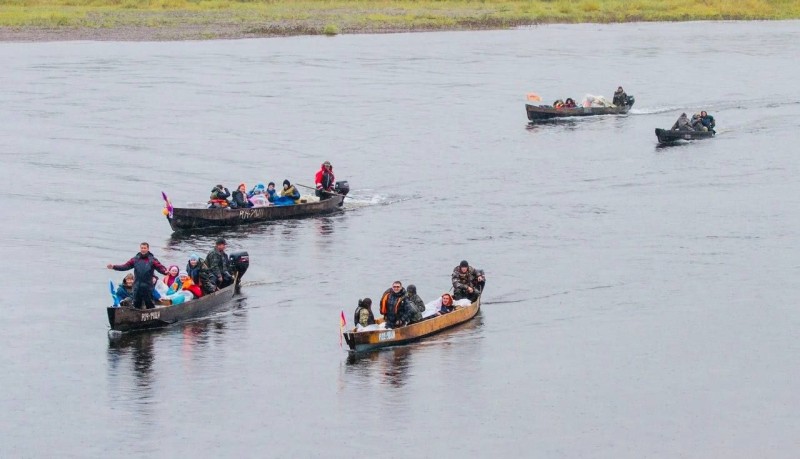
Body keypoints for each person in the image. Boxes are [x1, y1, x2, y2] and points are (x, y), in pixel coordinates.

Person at [107, 242, 169, 310]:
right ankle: (135, 316)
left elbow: (160, 267)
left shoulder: (152, 260)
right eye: (142, 248)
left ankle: (151, 316)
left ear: (148, 249)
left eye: (144, 248)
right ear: (140, 248)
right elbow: (125, 266)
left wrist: (165, 272)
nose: (143, 249)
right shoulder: (135, 259)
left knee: (149, 303)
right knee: (136, 304)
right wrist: (114, 267)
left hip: (147, 287)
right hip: (137, 286)